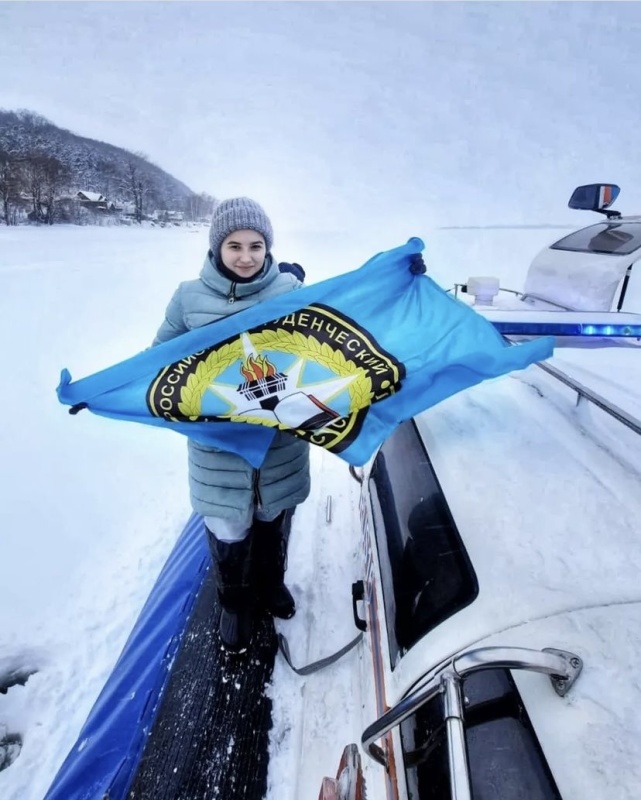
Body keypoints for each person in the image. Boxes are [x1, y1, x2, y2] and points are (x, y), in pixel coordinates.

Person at [153, 197, 310, 653]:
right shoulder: (188, 298)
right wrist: (101, 390)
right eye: (234, 245)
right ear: (216, 248)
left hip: (278, 446)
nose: (246, 256)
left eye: (256, 245)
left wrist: (401, 281)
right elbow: (157, 362)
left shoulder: (290, 293)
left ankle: (269, 585)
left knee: (271, 520)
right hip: (218, 451)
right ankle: (234, 602)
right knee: (228, 530)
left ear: (269, 247)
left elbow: (340, 332)